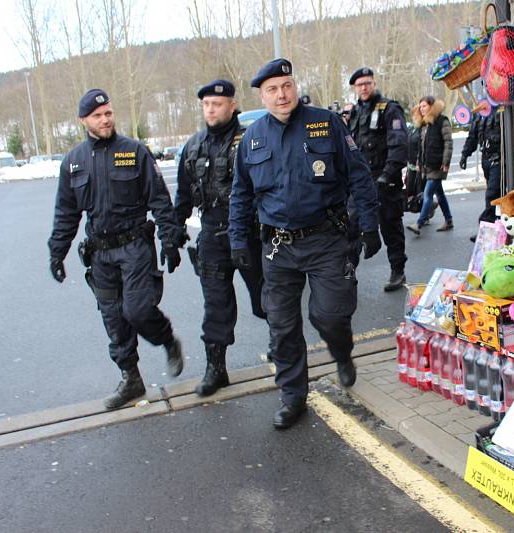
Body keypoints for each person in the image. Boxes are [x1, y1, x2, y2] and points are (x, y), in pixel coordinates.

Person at [229, 58, 381, 430]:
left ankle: (341, 352)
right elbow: (240, 195)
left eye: (286, 86)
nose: (281, 95)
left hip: (325, 239)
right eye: (272, 90)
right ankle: (293, 396)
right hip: (278, 247)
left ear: (294, 87)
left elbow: (359, 176)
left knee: (329, 315)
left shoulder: (325, 124)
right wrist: (237, 240)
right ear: (262, 96)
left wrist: (370, 224)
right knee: (281, 327)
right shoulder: (251, 139)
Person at [48, 89, 186, 409]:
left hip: (135, 246)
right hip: (100, 254)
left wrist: (170, 239)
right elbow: (66, 213)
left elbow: (160, 200)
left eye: (108, 113)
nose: (105, 119)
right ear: (84, 120)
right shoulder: (73, 163)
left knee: (137, 310)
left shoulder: (134, 151)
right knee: (114, 319)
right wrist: (57, 251)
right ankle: (131, 379)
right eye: (97, 116)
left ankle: (166, 339)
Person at [174, 79, 267, 397]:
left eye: (217, 104)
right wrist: (174, 235)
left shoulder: (252, 140)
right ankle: (216, 369)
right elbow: (183, 195)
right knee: (216, 308)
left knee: (268, 302)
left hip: (251, 234)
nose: (211, 109)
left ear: (231, 105)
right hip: (212, 237)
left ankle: (287, 359)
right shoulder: (194, 145)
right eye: (206, 105)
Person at [347, 67, 408, 292]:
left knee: (390, 225)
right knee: (350, 227)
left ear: (374, 84)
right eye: (359, 84)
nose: (363, 88)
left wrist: (387, 176)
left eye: (367, 83)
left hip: (384, 180)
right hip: (359, 183)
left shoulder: (389, 109)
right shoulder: (354, 112)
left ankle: (397, 270)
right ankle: (348, 272)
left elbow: (399, 144)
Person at [460, 105, 514, 233]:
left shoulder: (507, 107)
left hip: (500, 160)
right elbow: (473, 135)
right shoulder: (481, 109)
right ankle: (500, 227)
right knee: (497, 196)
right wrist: (465, 154)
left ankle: (487, 228)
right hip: (486, 160)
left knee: (492, 194)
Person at [406, 96, 453, 235]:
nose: (421, 109)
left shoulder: (442, 121)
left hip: (437, 165)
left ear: (432, 106)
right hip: (428, 165)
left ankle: (419, 223)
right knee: (440, 194)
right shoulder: (425, 124)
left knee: (427, 194)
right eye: (420, 107)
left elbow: (448, 143)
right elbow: (422, 146)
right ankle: (449, 220)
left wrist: (445, 162)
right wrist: (420, 163)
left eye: (424, 106)